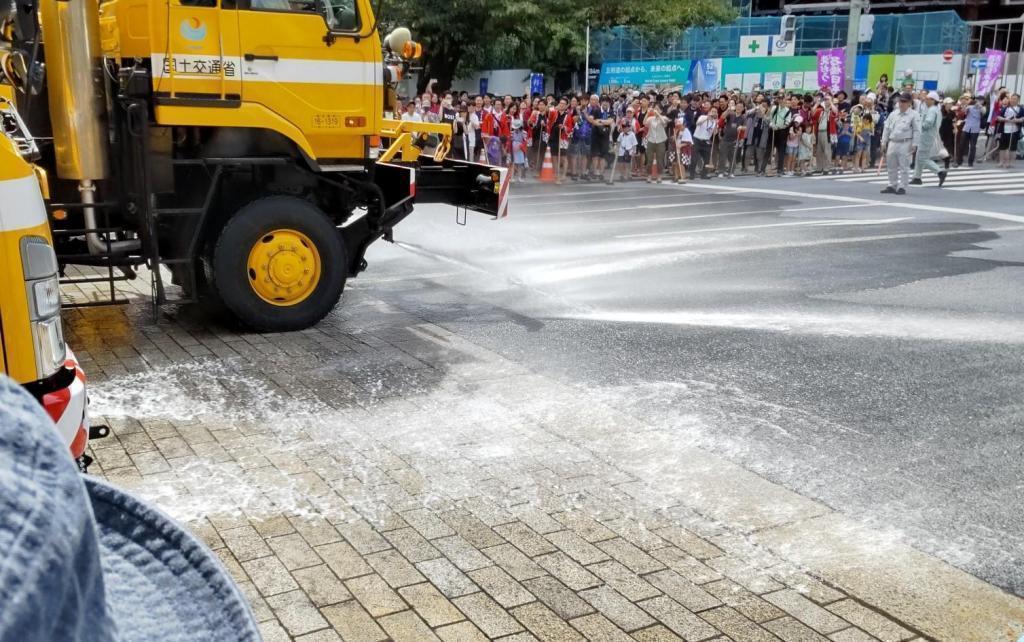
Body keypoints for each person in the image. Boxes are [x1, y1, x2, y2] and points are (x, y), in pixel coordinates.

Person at [880, 92, 921, 195]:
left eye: (904, 101)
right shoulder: (893, 114)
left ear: (909, 103)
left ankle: (902, 186)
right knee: (891, 165)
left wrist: (915, 144)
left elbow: (917, 130)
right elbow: (887, 128)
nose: (901, 103)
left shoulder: (914, 115)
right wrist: (883, 142)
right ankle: (892, 184)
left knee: (904, 165)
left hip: (905, 142)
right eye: (900, 101)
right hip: (893, 141)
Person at [910, 91, 948, 187]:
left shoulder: (932, 110)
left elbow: (928, 123)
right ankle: (917, 177)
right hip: (929, 136)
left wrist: (919, 126)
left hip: (926, 136)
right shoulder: (935, 109)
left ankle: (939, 171)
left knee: (922, 158)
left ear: (933, 100)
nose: (925, 100)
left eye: (927, 99)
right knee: (919, 156)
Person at [643, 103, 669, 183]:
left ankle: (659, 176)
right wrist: (647, 113)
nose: (656, 110)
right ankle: (649, 176)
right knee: (649, 160)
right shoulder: (651, 118)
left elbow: (664, 123)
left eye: (658, 109)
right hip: (651, 140)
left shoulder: (663, 117)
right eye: (655, 109)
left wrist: (658, 114)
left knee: (660, 160)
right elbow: (644, 123)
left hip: (660, 141)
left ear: (661, 110)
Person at [767, 94, 792, 176]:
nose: (781, 100)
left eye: (782, 99)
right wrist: (772, 124)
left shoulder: (788, 110)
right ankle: (764, 169)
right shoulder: (774, 108)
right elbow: (770, 118)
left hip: (782, 131)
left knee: (781, 151)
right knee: (769, 149)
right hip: (773, 130)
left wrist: (779, 126)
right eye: (780, 99)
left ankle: (780, 169)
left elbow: (787, 123)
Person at [957, 93, 984, 167]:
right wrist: (965, 105)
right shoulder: (970, 107)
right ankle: (959, 161)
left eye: (981, 100)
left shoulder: (982, 108)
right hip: (966, 128)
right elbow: (964, 111)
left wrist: (980, 107)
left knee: (973, 146)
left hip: (975, 129)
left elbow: (984, 112)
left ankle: (970, 162)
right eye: (978, 100)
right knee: (961, 144)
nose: (979, 101)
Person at [997, 93, 1022, 169]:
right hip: (1004, 130)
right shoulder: (1005, 108)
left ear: (1018, 100)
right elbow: (998, 117)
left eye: (1015, 99)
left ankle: (1010, 162)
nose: (1013, 100)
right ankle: (1001, 161)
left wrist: (1017, 120)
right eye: (1012, 98)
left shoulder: (1021, 109)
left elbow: (1023, 118)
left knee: (1012, 148)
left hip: (1014, 130)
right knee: (1002, 147)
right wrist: (1004, 119)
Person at [692, 108, 717, 180]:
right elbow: (698, 123)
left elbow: (713, 132)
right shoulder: (703, 117)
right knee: (694, 158)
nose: (713, 113)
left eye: (715, 112)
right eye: (712, 111)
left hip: (706, 141)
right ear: (709, 112)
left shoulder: (714, 122)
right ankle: (692, 174)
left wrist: (715, 131)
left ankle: (704, 174)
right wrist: (707, 117)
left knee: (707, 158)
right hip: (697, 139)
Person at [510, 117, 528, 181]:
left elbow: (525, 142)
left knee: (520, 164)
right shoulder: (512, 132)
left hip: (520, 149)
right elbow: (510, 141)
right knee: (513, 163)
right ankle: (512, 177)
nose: (515, 128)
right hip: (513, 148)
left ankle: (519, 177)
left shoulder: (524, 133)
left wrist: (520, 146)